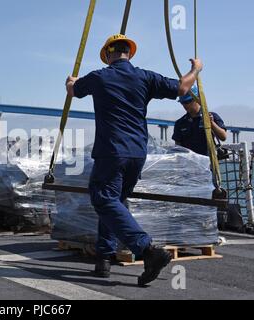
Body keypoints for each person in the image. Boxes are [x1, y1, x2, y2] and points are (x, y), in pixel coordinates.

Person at [66, 34, 202, 286]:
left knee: (104, 199)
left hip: (111, 151)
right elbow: (184, 88)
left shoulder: (98, 77)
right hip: (138, 154)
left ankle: (147, 250)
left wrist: (70, 82)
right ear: (129, 53)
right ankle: (103, 260)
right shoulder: (146, 77)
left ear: (108, 55)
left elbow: (73, 91)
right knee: (114, 203)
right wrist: (196, 69)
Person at [172, 85, 227, 156]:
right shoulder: (180, 123)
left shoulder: (212, 116)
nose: (185, 105)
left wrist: (212, 123)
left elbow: (223, 137)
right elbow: (178, 147)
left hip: (208, 163)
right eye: (183, 103)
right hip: (189, 164)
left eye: (188, 101)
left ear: (197, 99)